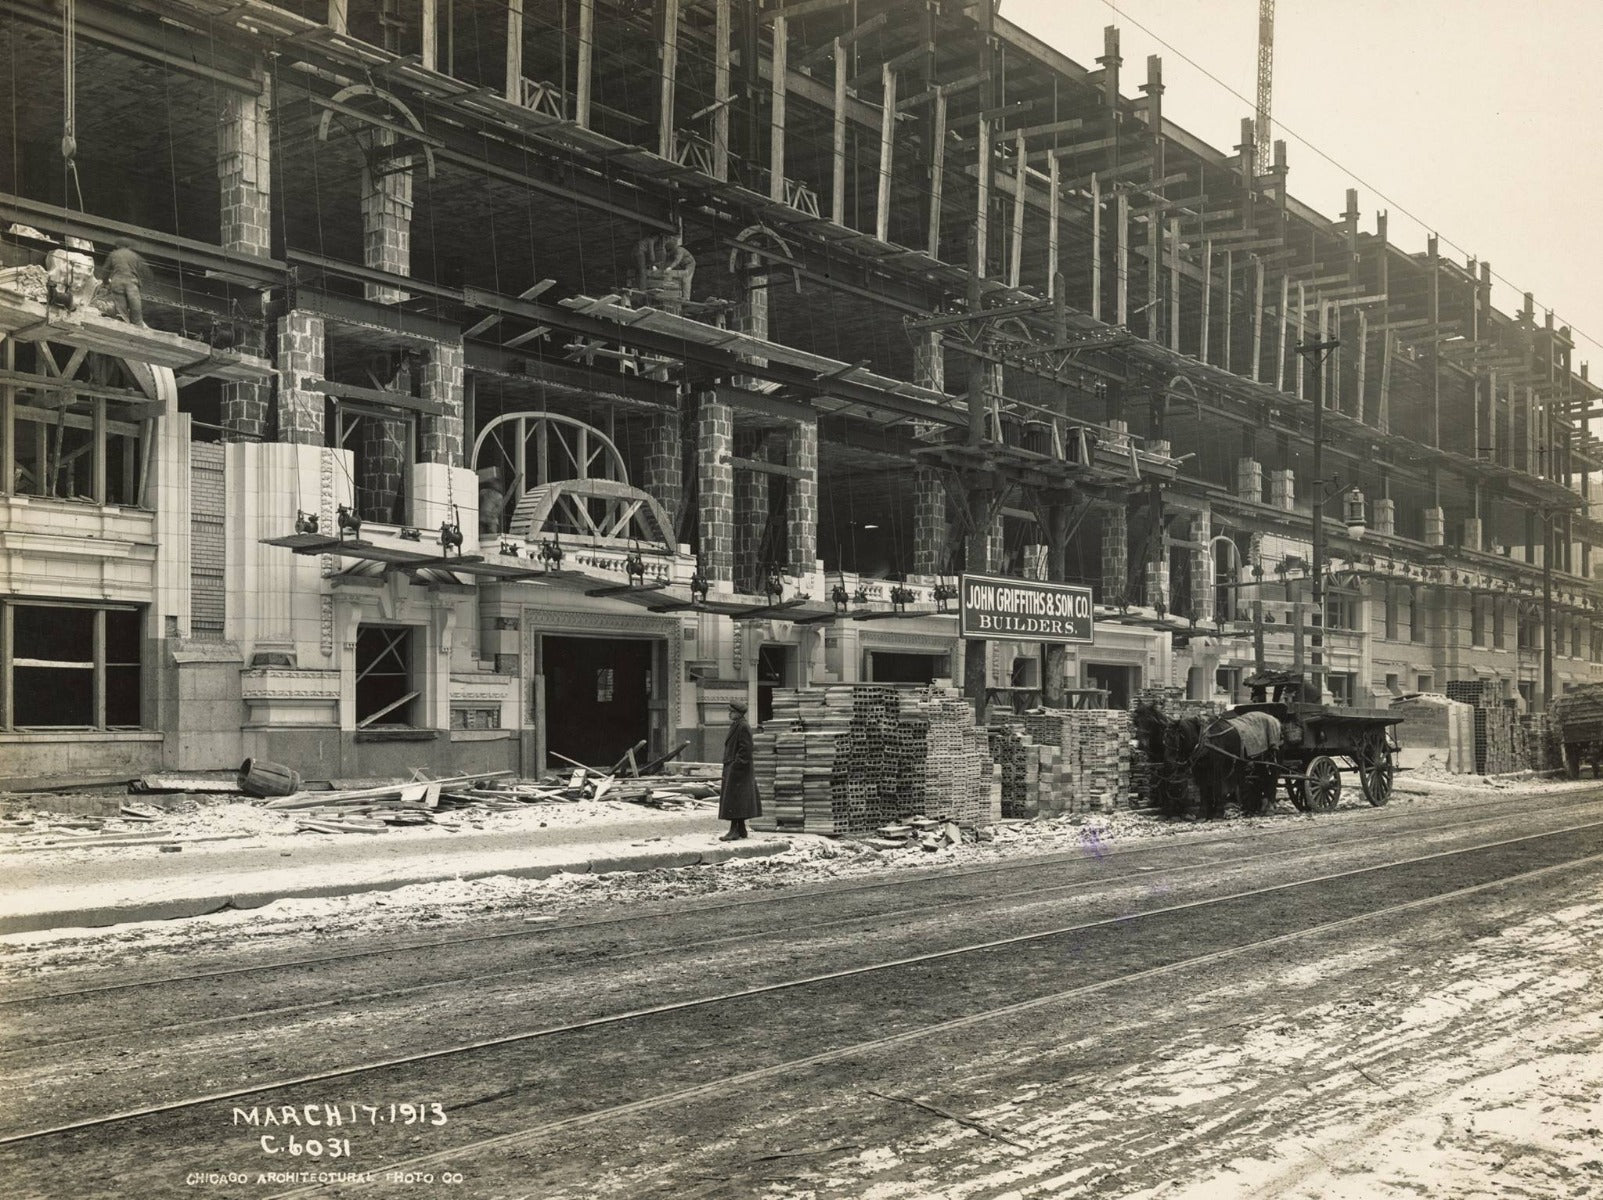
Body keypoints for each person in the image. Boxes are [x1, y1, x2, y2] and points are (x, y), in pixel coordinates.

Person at [718, 698, 761, 841]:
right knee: (737, 800)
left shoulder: (743, 726)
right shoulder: (737, 725)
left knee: (734, 800)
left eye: (731, 712)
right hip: (735, 768)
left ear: (738, 713)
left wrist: (736, 766)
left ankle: (734, 830)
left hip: (739, 771)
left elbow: (746, 750)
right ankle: (741, 828)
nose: (729, 714)